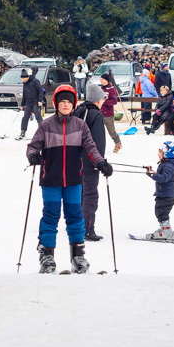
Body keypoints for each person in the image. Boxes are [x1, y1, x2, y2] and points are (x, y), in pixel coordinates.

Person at [27, 85, 110, 274]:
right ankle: (47, 257)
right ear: (56, 103)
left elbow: (91, 147)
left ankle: (78, 257)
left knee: (75, 217)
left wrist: (101, 162)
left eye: (69, 102)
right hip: (51, 180)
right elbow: (32, 146)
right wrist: (33, 155)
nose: (66, 105)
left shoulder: (80, 126)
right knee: (50, 216)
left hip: (73, 180)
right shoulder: (46, 125)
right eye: (63, 101)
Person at [73, 82, 108, 241]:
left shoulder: (78, 111)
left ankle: (77, 225)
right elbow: (98, 142)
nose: (103, 101)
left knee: (79, 193)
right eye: (102, 99)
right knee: (90, 195)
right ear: (97, 99)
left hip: (74, 161)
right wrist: (100, 162)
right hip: (90, 162)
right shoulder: (96, 115)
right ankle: (88, 229)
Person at [144, 141, 174, 241]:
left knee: (162, 212)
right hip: (164, 194)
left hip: (167, 195)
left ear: (167, 154)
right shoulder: (166, 164)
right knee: (160, 211)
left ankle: (166, 231)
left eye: (160, 152)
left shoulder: (168, 166)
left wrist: (154, 175)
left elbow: (164, 178)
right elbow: (161, 176)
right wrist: (151, 173)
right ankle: (165, 229)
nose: (158, 154)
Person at [17, 67, 43, 140]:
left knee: (38, 116)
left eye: (23, 78)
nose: (23, 80)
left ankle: (42, 131)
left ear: (27, 77)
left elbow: (40, 91)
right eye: (22, 78)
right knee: (25, 117)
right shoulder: (25, 84)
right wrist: (22, 105)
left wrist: (40, 101)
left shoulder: (35, 81)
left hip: (36, 101)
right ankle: (23, 131)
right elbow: (24, 95)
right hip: (28, 102)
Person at [99, 74, 122, 153]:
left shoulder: (111, 89)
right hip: (100, 113)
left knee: (111, 131)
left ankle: (117, 143)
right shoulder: (100, 89)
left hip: (108, 113)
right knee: (99, 131)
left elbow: (114, 101)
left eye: (102, 79)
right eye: (100, 79)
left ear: (106, 80)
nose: (100, 80)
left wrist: (105, 102)